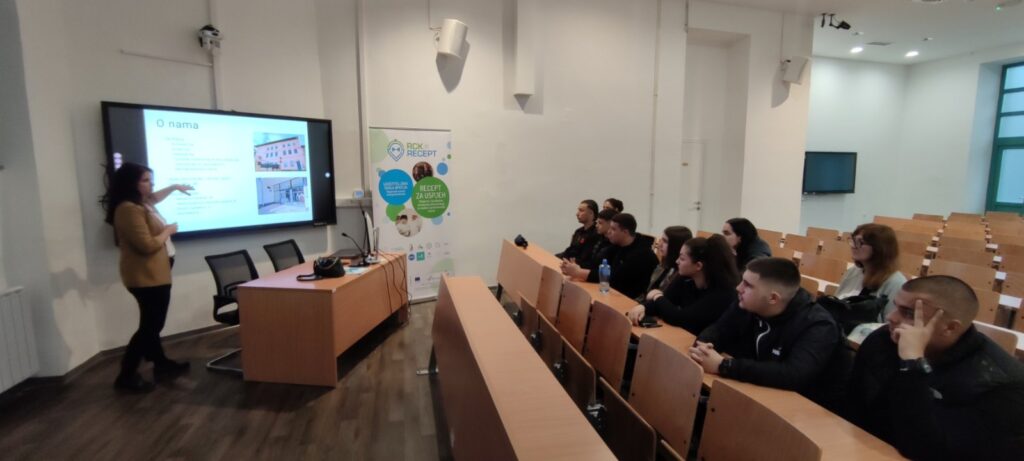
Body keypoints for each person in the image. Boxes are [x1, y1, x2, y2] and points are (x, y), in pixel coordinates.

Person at [847, 276, 1024, 460]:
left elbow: (926, 448)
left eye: (909, 313)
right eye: (895, 306)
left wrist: (913, 364)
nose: (891, 317)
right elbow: (855, 410)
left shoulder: (1003, 385)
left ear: (950, 327)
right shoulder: (884, 340)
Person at [690, 257, 848, 409]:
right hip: (762, 394)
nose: (738, 288)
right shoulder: (748, 303)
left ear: (773, 298)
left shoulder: (819, 325)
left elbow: (793, 375)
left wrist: (724, 366)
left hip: (805, 410)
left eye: (747, 285)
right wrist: (703, 349)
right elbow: (719, 329)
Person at [100, 162, 192, 392]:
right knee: (151, 326)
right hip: (146, 277)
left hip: (155, 273)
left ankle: (161, 364)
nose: (150, 185)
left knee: (152, 323)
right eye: (145, 180)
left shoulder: (143, 203)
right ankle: (126, 375)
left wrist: (174, 187)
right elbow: (147, 245)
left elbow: (155, 197)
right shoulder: (128, 209)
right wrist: (168, 231)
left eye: (151, 180)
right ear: (130, 183)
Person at [628, 235, 739, 334]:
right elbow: (665, 302)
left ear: (698, 266)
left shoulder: (723, 293)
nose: (677, 261)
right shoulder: (685, 277)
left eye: (682, 258)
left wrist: (657, 296)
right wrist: (643, 307)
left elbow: (681, 318)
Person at [561, 213, 658, 299]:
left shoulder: (642, 254)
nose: (609, 232)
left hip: (630, 299)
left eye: (613, 229)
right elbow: (596, 264)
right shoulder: (617, 245)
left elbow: (614, 278)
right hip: (612, 292)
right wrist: (575, 267)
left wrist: (579, 272)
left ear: (625, 232)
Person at [834, 223, 906, 319]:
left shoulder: (896, 283)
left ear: (879, 247)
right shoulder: (853, 271)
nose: (853, 246)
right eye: (853, 241)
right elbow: (836, 302)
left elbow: (891, 322)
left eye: (860, 242)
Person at [633, 226, 693, 302]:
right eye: (662, 239)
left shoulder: (681, 275)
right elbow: (646, 292)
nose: (660, 244)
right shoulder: (663, 265)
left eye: (665, 241)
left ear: (676, 246)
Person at [555, 200, 601, 268]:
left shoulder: (596, 233)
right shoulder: (578, 231)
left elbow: (586, 258)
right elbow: (570, 250)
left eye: (581, 211)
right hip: (570, 263)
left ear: (591, 213)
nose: (577, 214)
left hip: (580, 268)